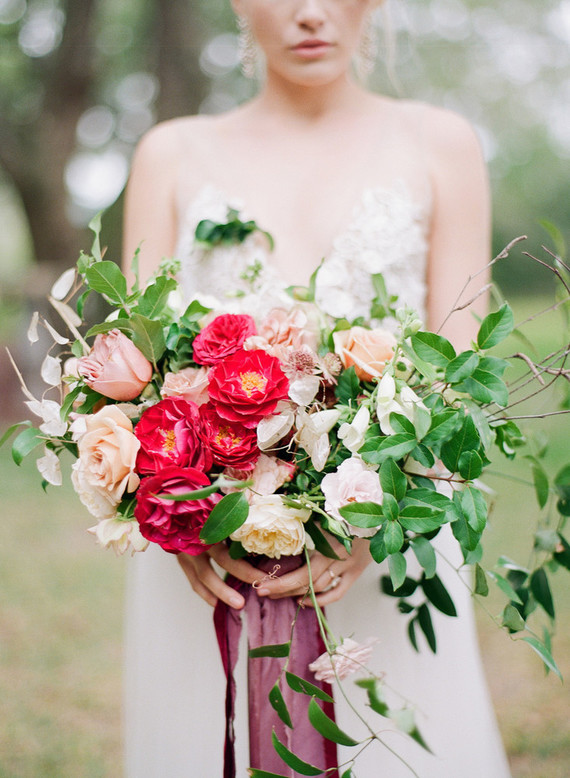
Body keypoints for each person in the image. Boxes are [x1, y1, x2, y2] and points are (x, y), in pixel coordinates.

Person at [122, 1, 512, 775]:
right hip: (213, 556)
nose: (310, 14)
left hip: (385, 547)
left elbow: (459, 368)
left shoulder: (441, 144)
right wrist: (180, 521)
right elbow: (137, 364)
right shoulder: (172, 153)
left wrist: (376, 519)